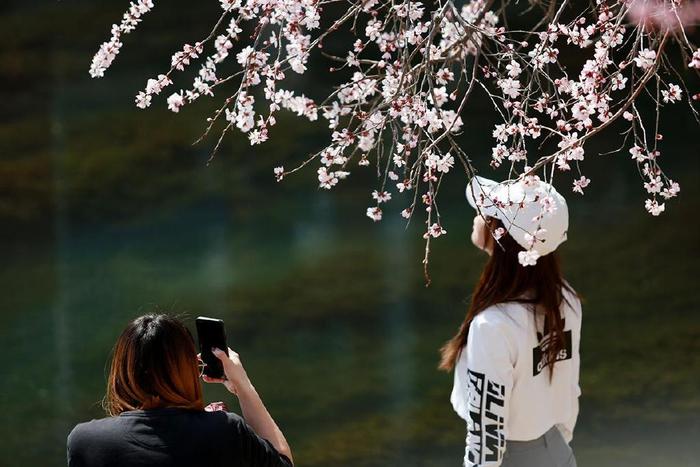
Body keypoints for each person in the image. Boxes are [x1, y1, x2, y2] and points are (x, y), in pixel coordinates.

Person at [440, 175, 582, 467]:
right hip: (558, 451)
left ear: (500, 234)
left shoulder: (492, 326)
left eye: (485, 212)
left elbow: (486, 434)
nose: (478, 217)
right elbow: (569, 391)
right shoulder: (565, 298)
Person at [67, 314, 293, 467]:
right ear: (186, 369)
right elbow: (284, 462)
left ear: (122, 372)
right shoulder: (225, 431)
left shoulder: (85, 442)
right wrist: (243, 387)